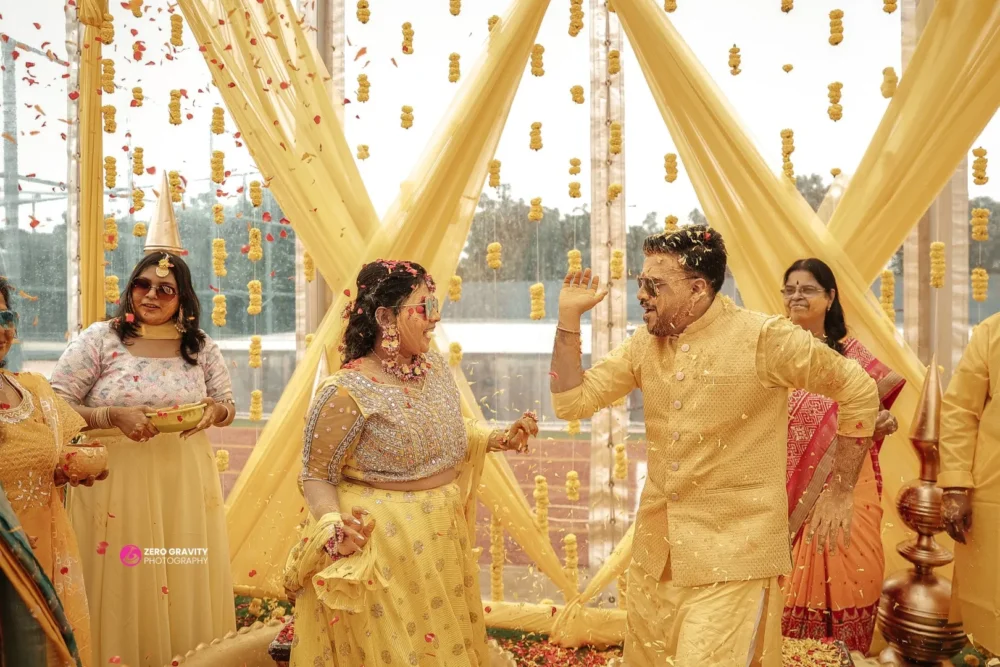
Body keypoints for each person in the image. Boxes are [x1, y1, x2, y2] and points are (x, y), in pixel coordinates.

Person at [549, 226, 880, 666]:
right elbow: (571, 402)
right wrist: (569, 320)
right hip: (657, 555)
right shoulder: (644, 344)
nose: (642, 294)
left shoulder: (766, 339)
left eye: (654, 285)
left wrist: (840, 490)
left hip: (734, 557)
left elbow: (859, 388)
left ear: (697, 288)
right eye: (641, 283)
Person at [284, 259, 537, 667]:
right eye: (424, 308)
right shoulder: (346, 391)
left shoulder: (433, 368)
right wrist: (333, 526)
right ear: (385, 316)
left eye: (435, 306)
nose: (434, 319)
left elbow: (446, 429)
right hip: (383, 545)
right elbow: (316, 474)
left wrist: (496, 438)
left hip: (438, 536)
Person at [50, 252, 237, 667]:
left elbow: (226, 404)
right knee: (121, 572)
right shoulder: (100, 338)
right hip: (115, 481)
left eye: (165, 289)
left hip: (183, 479)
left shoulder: (200, 346)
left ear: (183, 298)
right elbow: (54, 404)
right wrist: (109, 416)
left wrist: (213, 412)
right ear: (130, 288)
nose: (151, 294)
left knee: (180, 568)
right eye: (142, 284)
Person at [778, 258, 905, 653]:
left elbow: (876, 413)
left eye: (808, 289)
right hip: (787, 493)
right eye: (790, 289)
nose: (797, 296)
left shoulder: (852, 355)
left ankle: (848, 656)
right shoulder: (776, 351)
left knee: (856, 568)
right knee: (789, 585)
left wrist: (878, 422)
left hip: (850, 485)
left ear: (830, 297)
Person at [0, 275, 96, 666]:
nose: (1, 329)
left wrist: (81, 463)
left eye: (5, 315)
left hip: (49, 560)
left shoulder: (33, 388)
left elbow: (70, 448)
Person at [940, 311, 999, 658]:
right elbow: (960, 410)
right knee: (990, 600)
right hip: (995, 493)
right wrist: (957, 486)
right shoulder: (993, 331)